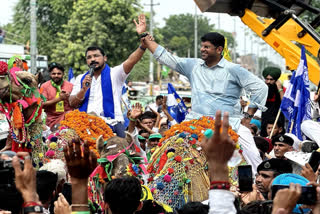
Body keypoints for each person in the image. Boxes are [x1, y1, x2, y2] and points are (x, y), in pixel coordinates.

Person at [137, 14, 267, 174]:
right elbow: (167, 58)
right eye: (202, 46)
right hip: (195, 122)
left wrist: (247, 117)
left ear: (219, 50)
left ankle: (258, 188)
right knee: (166, 153)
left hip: (230, 123)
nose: (202, 50)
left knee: (253, 157)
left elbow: (261, 88)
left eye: (207, 47)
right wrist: (145, 36)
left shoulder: (234, 69)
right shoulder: (193, 66)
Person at [69, 15, 148, 138]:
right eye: (89, 57)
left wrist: (143, 46)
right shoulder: (81, 79)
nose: (93, 59)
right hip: (84, 126)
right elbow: (72, 103)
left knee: (124, 154)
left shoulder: (114, 74)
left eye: (96, 56)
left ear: (104, 58)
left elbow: (131, 61)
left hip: (112, 123)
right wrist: (83, 89)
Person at [41, 62, 73, 129]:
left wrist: (69, 97)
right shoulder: (45, 86)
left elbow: (76, 103)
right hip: (51, 119)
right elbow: (42, 104)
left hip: (68, 118)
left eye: (59, 73)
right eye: (54, 74)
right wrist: (59, 99)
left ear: (63, 74)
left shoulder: (70, 86)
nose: (56, 76)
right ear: (50, 74)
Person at [260, 67, 285, 137]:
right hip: (265, 120)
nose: (268, 82)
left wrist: (280, 89)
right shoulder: (263, 89)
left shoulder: (282, 89)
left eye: (271, 79)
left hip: (278, 119)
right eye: (267, 79)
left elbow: (285, 104)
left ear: (276, 80)